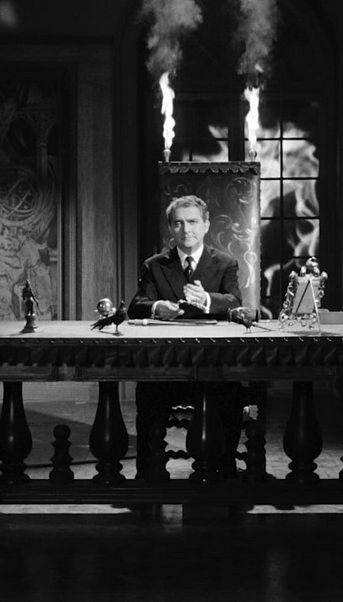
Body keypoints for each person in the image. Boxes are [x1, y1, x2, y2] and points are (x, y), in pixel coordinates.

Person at [128, 195, 244, 478]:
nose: (186, 229)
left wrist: (207, 300)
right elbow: (136, 305)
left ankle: (224, 471)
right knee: (147, 394)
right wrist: (157, 307)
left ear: (206, 225)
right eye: (178, 223)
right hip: (167, 365)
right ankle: (150, 474)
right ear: (170, 227)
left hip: (214, 364)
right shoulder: (154, 265)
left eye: (192, 222)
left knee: (231, 394)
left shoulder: (225, 263)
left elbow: (234, 303)